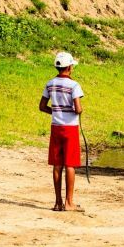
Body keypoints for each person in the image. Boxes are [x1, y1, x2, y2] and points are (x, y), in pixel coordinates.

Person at [39, 52, 85, 211]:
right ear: (70, 67)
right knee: (70, 165)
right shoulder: (74, 85)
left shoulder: (50, 83)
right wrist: (77, 111)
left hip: (56, 127)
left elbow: (42, 106)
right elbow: (78, 108)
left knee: (57, 165)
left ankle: (58, 202)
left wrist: (56, 111)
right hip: (70, 128)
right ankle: (69, 202)